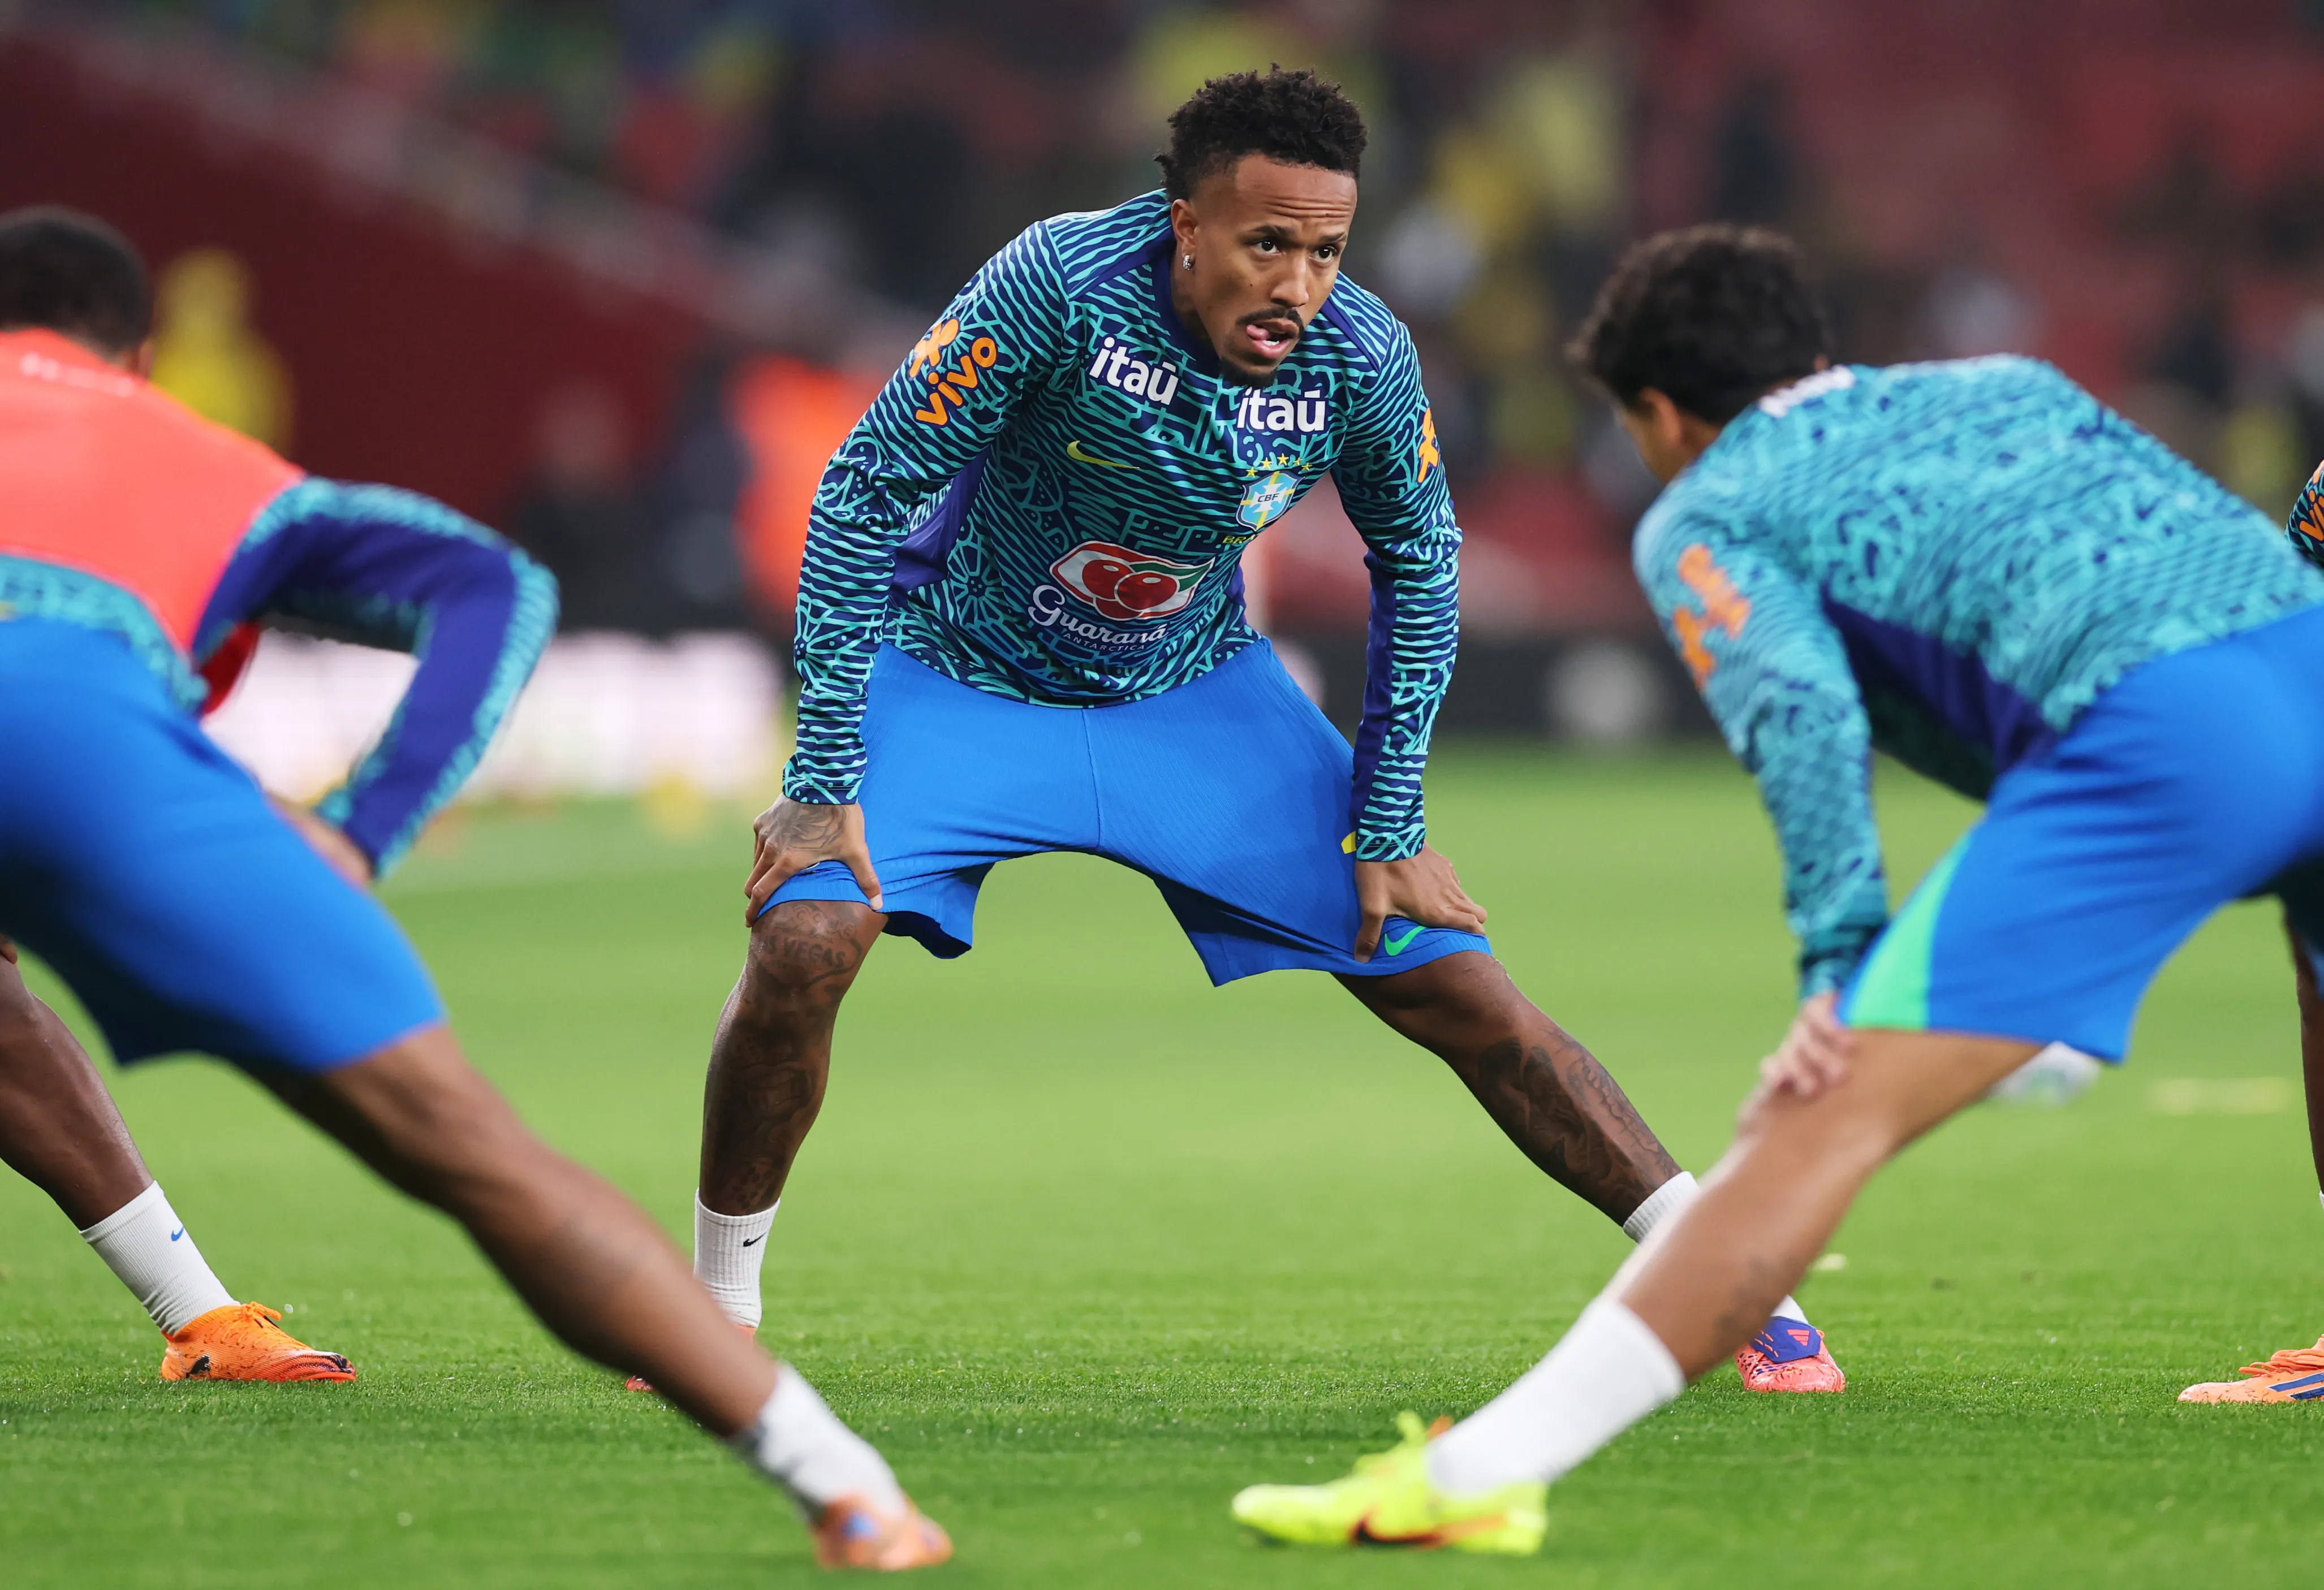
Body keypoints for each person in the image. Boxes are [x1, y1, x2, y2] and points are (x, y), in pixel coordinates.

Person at [661, 70, 1839, 1402]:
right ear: (1183, 225)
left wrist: (1386, 822)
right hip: (959, 677)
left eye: (1324, 250)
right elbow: (865, 488)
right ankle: (714, 1305)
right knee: (805, 936)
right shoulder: (1056, 282)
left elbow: (1421, 565)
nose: (1296, 282)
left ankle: (1731, 1281)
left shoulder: (1364, 357)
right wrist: (819, 780)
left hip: (1189, 697)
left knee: (1446, 974)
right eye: (1263, 243)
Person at [1227, 223, 2324, 1553]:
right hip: (2301, 652)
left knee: (1814, 1120)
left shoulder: (1709, 504)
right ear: (1808, 350)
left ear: (1659, 412)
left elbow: (1799, 719)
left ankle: (1476, 1476)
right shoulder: (1999, 380)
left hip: (2163, 733)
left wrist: (1838, 969)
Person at [0, 206, 948, 1570]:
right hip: (98, 755)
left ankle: (198, 1312)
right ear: (137, 354)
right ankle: (845, 1485)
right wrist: (362, 827)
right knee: (470, 1150)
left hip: (95, 751)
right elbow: (490, 586)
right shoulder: (209, 462)